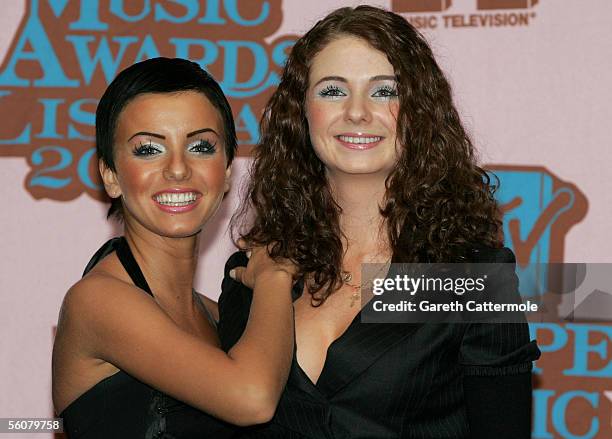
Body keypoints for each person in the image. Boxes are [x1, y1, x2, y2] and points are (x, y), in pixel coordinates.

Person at [218, 6, 540, 438]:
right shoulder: (255, 268)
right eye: (332, 91)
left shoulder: (471, 278)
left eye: (384, 91)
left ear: (418, 111)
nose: (357, 112)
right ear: (301, 111)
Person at [51, 57, 295, 439]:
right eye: (148, 150)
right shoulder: (98, 302)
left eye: (200, 146)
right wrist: (276, 276)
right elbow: (252, 399)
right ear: (110, 175)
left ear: (228, 170)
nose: (178, 169)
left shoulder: (217, 316)